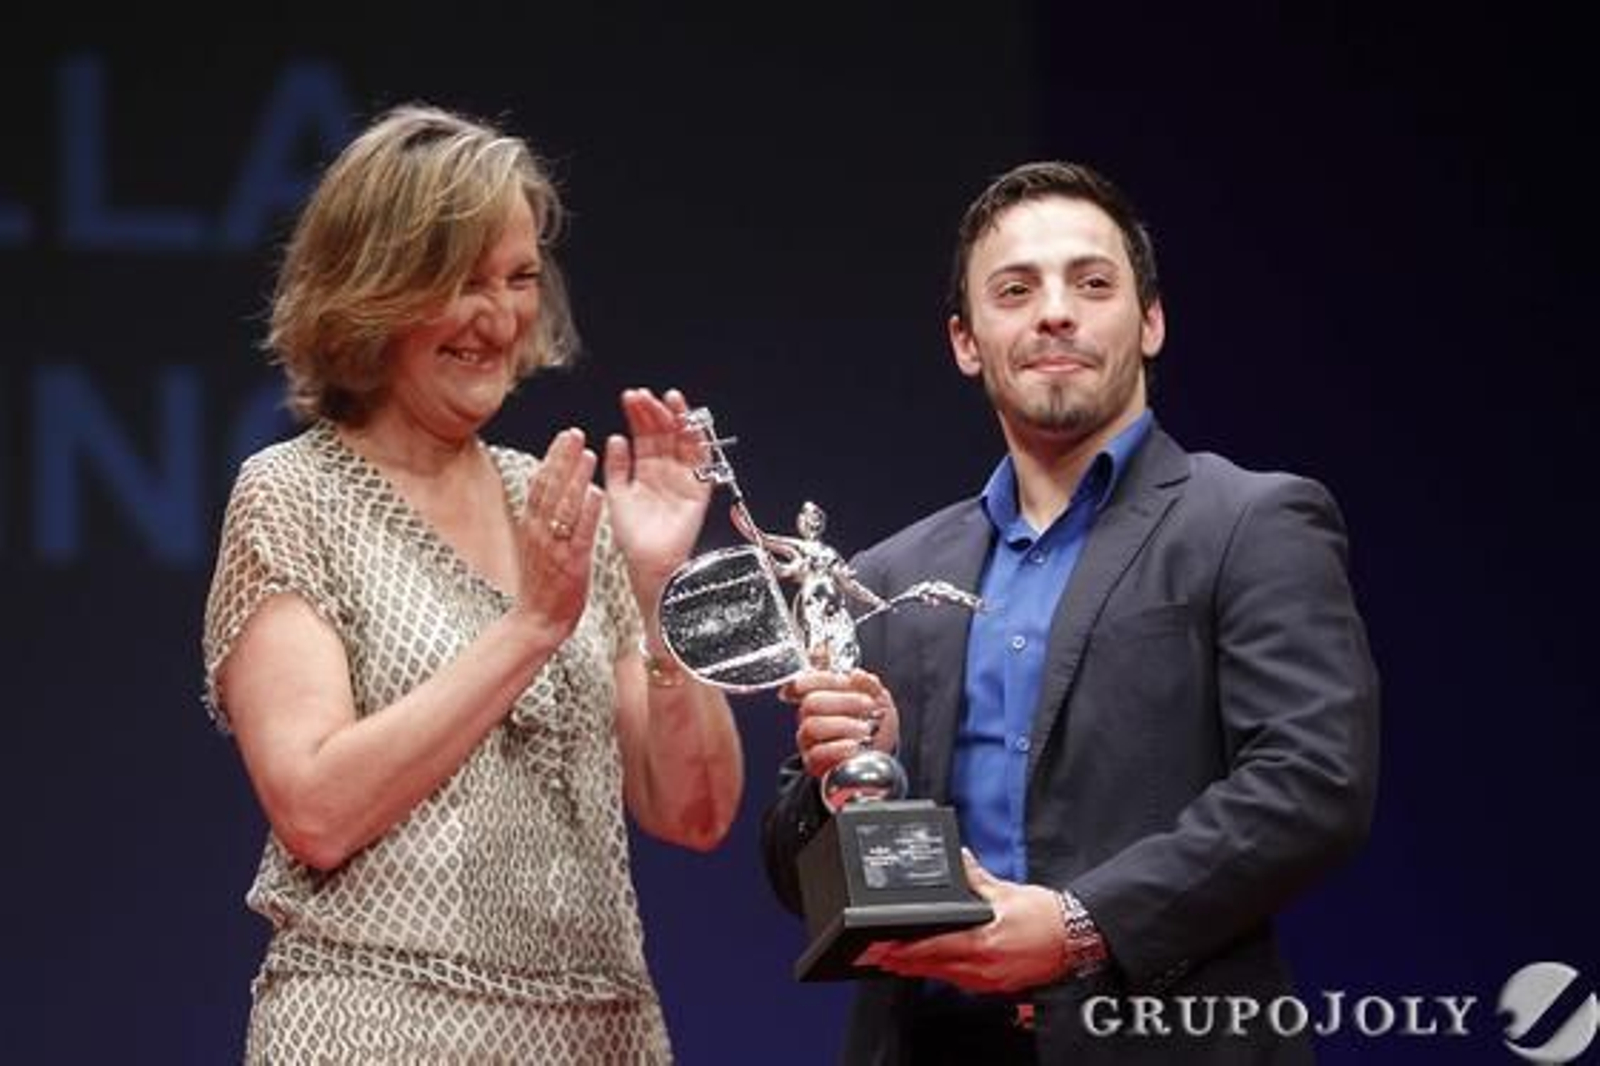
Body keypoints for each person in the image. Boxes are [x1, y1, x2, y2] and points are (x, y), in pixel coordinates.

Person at [761, 161, 1380, 1064]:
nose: (1055, 312)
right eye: (1015, 290)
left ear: (1151, 321)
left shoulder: (1251, 522)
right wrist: (851, 775)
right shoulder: (887, 576)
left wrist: (1079, 925)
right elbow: (797, 877)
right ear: (966, 341)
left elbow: (1313, 784)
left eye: (1092, 283)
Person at [201, 103, 743, 1064]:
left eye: (519, 278)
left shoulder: (558, 504)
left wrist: (662, 590)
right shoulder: (293, 495)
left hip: (602, 1035)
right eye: (461, 281)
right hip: (377, 1027)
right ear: (372, 289)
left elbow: (695, 813)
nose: (498, 319)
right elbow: (316, 811)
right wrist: (530, 627)